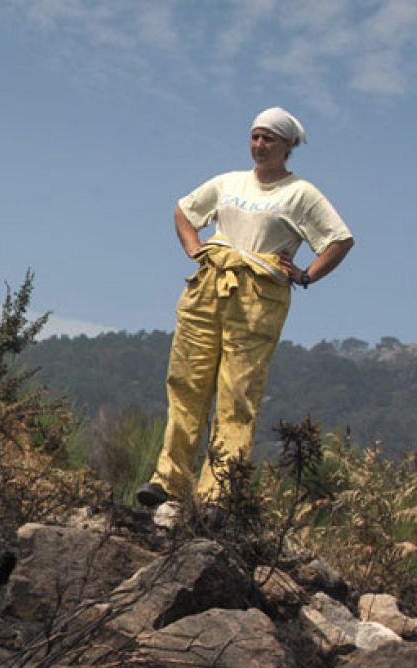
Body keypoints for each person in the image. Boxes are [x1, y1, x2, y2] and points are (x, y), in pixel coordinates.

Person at [136, 107, 354, 509]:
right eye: (255, 136)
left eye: (269, 138)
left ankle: (219, 492)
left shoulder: (301, 194)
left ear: (288, 145)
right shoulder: (229, 182)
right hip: (209, 286)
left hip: (257, 297)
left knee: (237, 394)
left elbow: (339, 240)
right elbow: (184, 210)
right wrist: (194, 248)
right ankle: (168, 481)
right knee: (186, 383)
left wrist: (306, 275)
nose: (259, 144)